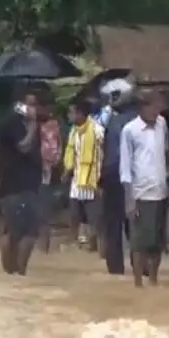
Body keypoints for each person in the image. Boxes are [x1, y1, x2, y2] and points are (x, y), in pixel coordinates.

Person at [119, 89, 169, 288]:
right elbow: (125, 167)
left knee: (156, 242)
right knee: (139, 242)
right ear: (142, 107)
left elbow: (163, 152)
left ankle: (154, 280)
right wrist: (129, 199)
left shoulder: (162, 124)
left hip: (160, 190)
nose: (157, 110)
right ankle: (138, 282)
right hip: (140, 192)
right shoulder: (130, 130)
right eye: (154, 106)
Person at [0, 90, 49, 275]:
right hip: (15, 186)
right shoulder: (13, 124)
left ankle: (13, 274)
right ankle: (18, 272)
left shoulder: (27, 125)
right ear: (20, 105)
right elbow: (24, 147)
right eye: (31, 104)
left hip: (27, 186)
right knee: (25, 232)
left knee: (18, 231)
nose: (35, 109)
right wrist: (34, 125)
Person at [100, 91, 139, 274]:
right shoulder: (141, 123)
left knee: (113, 224)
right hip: (136, 177)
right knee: (136, 222)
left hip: (112, 175)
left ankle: (115, 268)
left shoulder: (113, 123)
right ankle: (141, 266)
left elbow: (105, 151)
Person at [63, 99, 105, 249]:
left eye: (71, 112)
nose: (68, 115)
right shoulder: (74, 130)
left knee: (95, 217)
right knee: (74, 214)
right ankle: (79, 242)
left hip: (93, 179)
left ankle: (97, 246)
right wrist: (67, 171)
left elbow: (105, 154)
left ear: (80, 114)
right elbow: (71, 152)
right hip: (77, 179)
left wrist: (102, 180)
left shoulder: (97, 130)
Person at [36, 94, 62, 253]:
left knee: (43, 215)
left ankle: (43, 251)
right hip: (23, 176)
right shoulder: (21, 124)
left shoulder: (51, 126)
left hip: (43, 174)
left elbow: (54, 153)